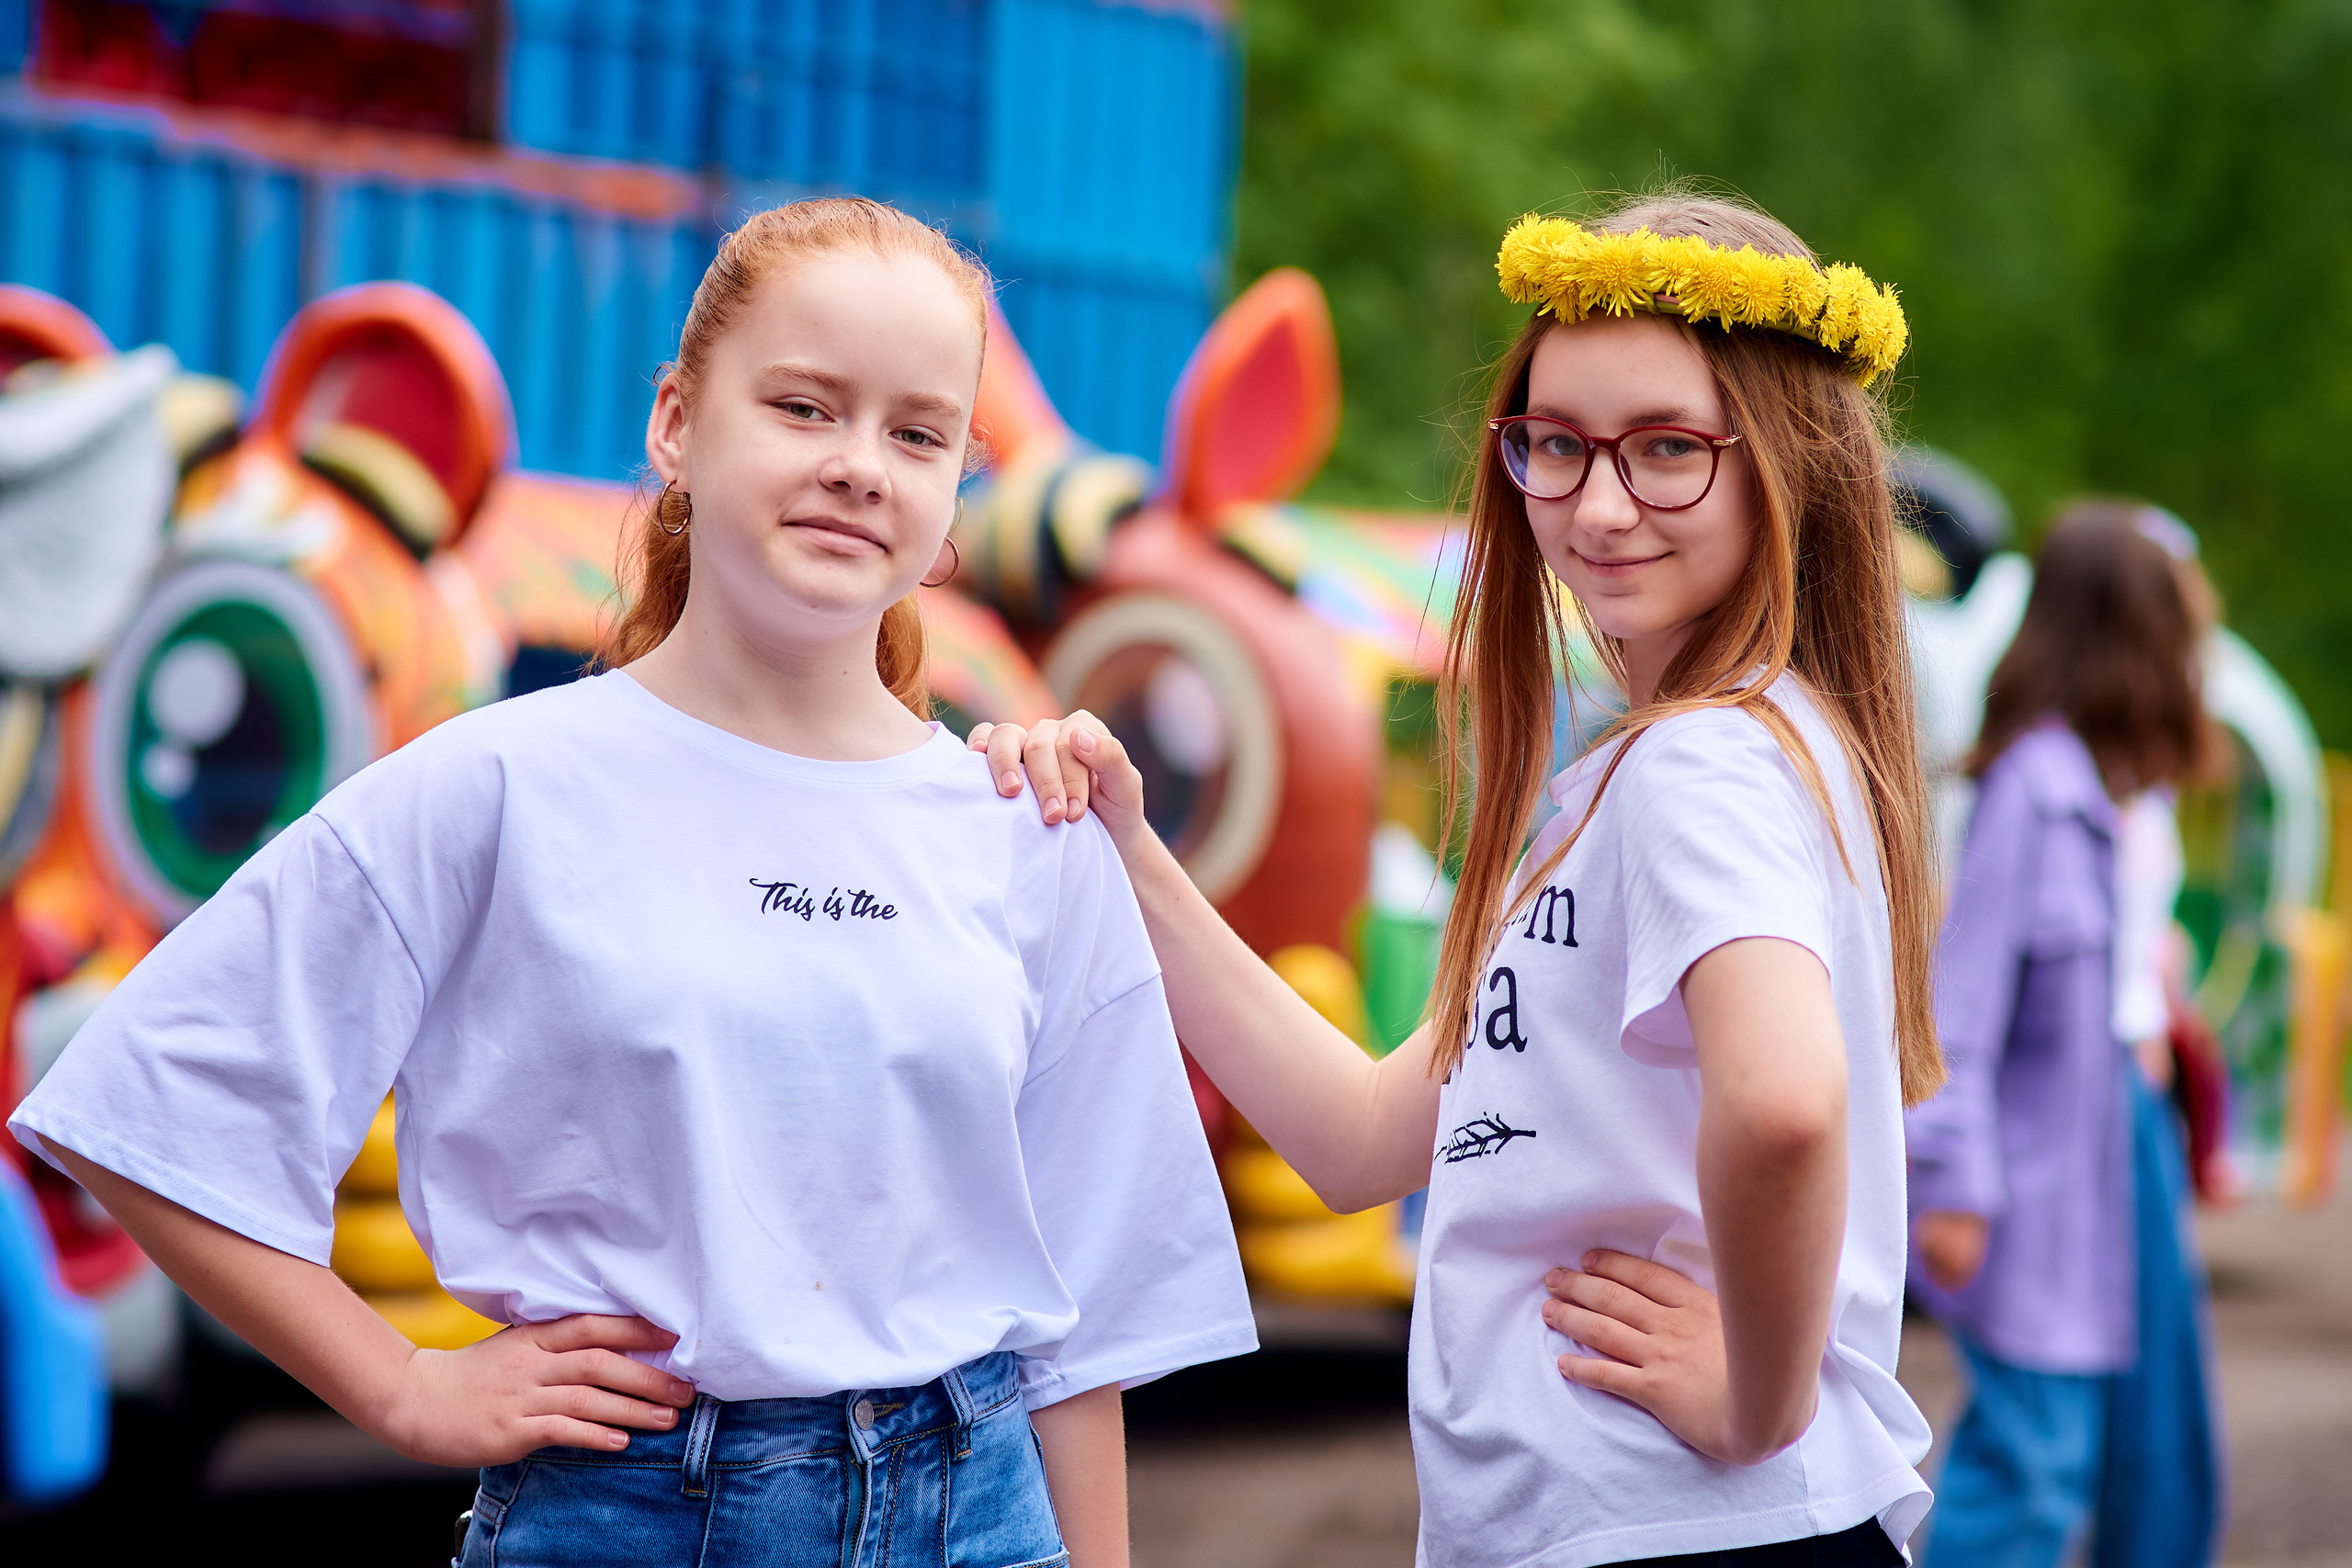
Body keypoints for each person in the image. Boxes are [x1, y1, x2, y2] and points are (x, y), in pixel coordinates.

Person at [7, 198, 1254, 1567]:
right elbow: (148, 1103)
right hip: (622, 1515)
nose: (858, 465)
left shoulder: (1024, 823)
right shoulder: (495, 786)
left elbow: (1081, 1320)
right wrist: (403, 1380)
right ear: (676, 425)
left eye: (917, 432)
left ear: (958, 481)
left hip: (981, 1515)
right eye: (803, 406)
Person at [976, 192, 1944, 1565]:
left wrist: (1758, 1396)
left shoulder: (1701, 767)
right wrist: (1133, 850)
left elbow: (1787, 1101)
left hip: (1680, 1524)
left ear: (1788, 461)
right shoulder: (1679, 769)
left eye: (1667, 449)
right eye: (1555, 444)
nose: (1598, 502)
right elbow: (1364, 1134)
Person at [1905, 502, 2225, 1568]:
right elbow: (1963, 1008)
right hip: (2039, 1163)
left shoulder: (2110, 789)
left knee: (2151, 1434)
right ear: (2132, 630)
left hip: (2115, 1129)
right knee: (2034, 1459)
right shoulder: (2032, 793)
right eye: (2183, 622)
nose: (2199, 648)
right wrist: (1951, 1182)